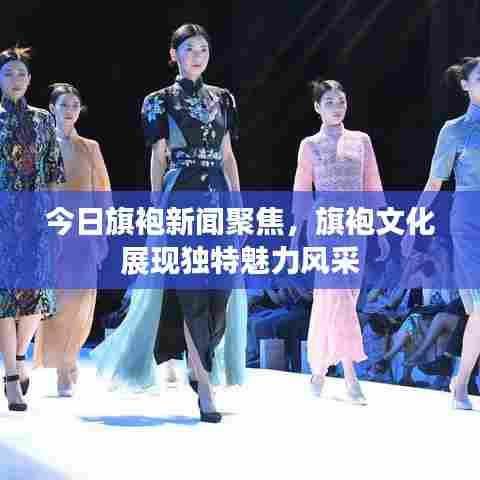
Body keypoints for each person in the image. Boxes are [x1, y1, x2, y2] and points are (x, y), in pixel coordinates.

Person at [91, 24, 247, 423]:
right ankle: (206, 388)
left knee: (221, 292)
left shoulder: (223, 98)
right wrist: (157, 205)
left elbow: (228, 155)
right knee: (192, 290)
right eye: (189, 49)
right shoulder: (159, 101)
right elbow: (159, 156)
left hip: (218, 195)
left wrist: (237, 203)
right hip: (181, 193)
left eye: (203, 49)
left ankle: (199, 364)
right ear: (173, 55)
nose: (197, 56)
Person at [292, 78, 389, 404]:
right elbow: (302, 191)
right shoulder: (309, 144)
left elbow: (373, 186)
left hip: (356, 225)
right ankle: (350, 376)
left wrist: (382, 230)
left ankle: (319, 370)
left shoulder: (361, 140)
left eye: (341, 102)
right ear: (317, 107)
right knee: (336, 297)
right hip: (325, 226)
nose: (337, 107)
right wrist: (295, 236)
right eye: (329, 102)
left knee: (343, 297)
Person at [402, 56, 480, 410]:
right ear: (464, 85)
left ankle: (460, 380)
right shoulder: (454, 130)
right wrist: (413, 224)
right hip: (468, 224)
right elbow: (435, 181)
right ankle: (461, 383)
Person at [33, 83, 112, 397]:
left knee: (81, 301)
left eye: (75, 105)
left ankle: (68, 360)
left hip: (84, 232)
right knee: (54, 302)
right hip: (50, 231)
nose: (70, 111)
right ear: (52, 108)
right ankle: (62, 363)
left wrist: (102, 233)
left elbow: (103, 192)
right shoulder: (40, 144)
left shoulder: (90, 147)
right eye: (64, 105)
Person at [0, 46, 65, 411]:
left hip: (37, 216)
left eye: (21, 74)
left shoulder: (43, 120)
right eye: (8, 73)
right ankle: (11, 378)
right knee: (4, 299)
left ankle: (19, 356)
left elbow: (53, 171)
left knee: (35, 297)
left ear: (29, 79)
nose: (16, 80)